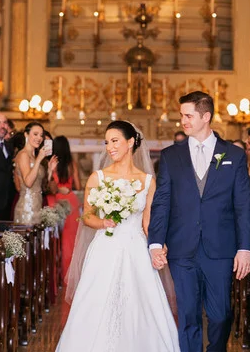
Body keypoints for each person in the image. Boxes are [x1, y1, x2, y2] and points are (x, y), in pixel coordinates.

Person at [57, 121, 180, 351]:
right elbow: (87, 216)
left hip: (136, 249)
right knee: (97, 304)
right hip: (106, 247)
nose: (109, 147)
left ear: (131, 142)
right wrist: (102, 222)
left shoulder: (147, 181)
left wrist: (159, 245)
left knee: (138, 305)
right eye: (107, 142)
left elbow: (148, 223)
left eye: (115, 141)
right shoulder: (98, 178)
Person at [148, 91, 250, 352]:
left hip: (220, 249)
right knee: (188, 316)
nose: (182, 120)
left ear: (206, 116)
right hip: (182, 248)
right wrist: (155, 242)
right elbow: (162, 202)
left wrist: (244, 248)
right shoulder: (171, 155)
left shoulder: (234, 156)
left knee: (220, 315)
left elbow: (242, 205)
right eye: (181, 115)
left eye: (188, 115)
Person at [45, 135, 81, 276]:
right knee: (70, 240)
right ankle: (69, 273)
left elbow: (48, 185)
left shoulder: (52, 163)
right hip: (70, 201)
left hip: (54, 200)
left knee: (55, 239)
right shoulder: (71, 164)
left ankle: (55, 274)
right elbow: (77, 185)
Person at [14, 122, 55, 226]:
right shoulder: (23, 154)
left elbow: (42, 187)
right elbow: (28, 182)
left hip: (37, 206)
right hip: (26, 209)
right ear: (26, 134)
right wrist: (39, 159)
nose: (39, 138)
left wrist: (50, 170)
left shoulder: (35, 157)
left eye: (41, 135)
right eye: (35, 134)